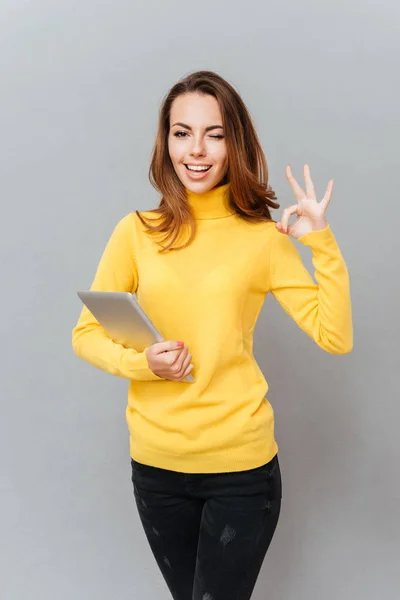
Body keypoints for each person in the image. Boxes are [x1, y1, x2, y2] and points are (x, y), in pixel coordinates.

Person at [72, 70, 353, 600]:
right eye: (182, 133)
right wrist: (142, 364)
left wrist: (322, 245)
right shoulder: (135, 232)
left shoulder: (261, 239)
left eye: (214, 134)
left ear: (234, 143)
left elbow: (334, 336)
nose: (196, 150)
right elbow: (86, 334)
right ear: (166, 141)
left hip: (240, 472)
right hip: (155, 468)